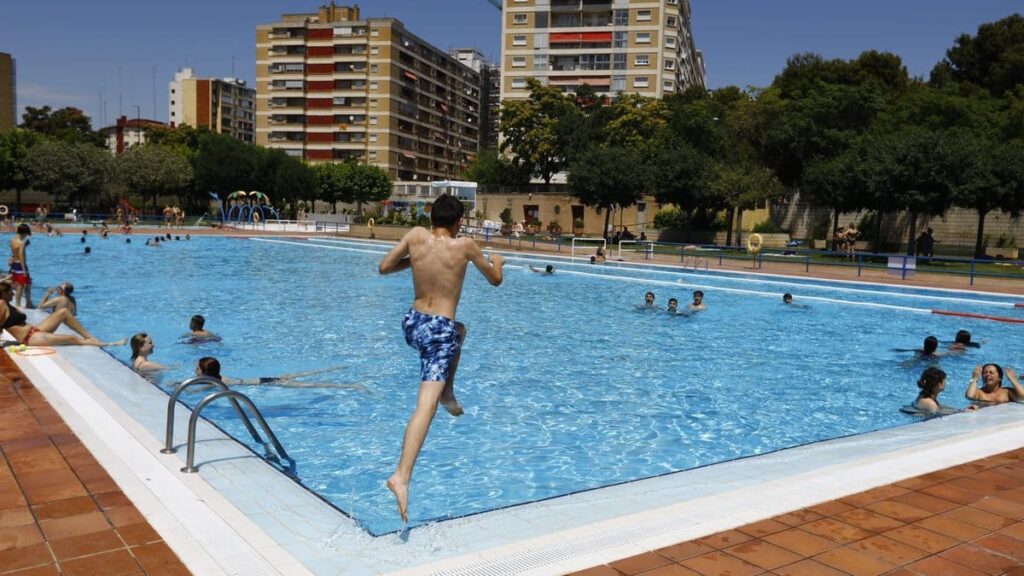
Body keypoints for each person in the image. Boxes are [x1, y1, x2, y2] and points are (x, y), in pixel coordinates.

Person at [378, 193, 504, 523]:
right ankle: (402, 476)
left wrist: (415, 260)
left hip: (412, 324)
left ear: (432, 216)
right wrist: (499, 261)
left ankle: (448, 390)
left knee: (459, 332)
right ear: (458, 221)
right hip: (438, 332)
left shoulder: (416, 236)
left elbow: (384, 267)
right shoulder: (465, 246)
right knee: (425, 406)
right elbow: (495, 280)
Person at [0, 281, 122, 347]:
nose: (13, 294)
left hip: (34, 330)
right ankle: (106, 344)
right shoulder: (1, 304)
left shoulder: (6, 302)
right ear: (3, 293)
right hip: (29, 338)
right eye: (11, 292)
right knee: (71, 338)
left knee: (63, 312)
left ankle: (89, 337)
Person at [195, 357, 363, 389]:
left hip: (265, 382)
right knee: (300, 377)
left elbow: (195, 389)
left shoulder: (215, 383)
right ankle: (335, 368)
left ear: (205, 372)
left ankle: (351, 385)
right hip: (261, 379)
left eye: (197, 369)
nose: (195, 371)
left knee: (309, 385)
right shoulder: (219, 378)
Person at [904, 367, 977, 416]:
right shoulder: (930, 403)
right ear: (939, 384)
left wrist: (962, 410)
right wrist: (963, 413)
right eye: (944, 381)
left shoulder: (923, 396)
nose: (946, 383)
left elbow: (941, 409)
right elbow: (938, 415)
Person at [9, 223, 33, 308]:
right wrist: (24, 270)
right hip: (20, 265)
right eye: (26, 234)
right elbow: (21, 256)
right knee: (21, 285)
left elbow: (14, 252)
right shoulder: (21, 242)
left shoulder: (12, 240)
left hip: (14, 265)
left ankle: (27, 303)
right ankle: (19, 304)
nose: (26, 236)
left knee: (26, 283)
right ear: (24, 233)